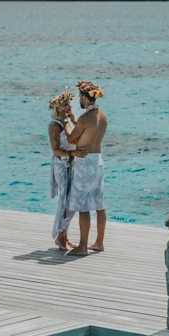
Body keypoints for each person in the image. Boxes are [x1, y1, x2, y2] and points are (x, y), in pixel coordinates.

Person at [65, 80, 107, 253]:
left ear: (84, 97)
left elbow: (71, 139)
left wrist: (67, 124)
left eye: (80, 98)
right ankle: (99, 242)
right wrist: (76, 122)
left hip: (85, 162)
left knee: (83, 205)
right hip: (98, 160)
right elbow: (88, 134)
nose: (80, 101)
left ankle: (82, 246)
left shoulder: (84, 118)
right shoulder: (102, 116)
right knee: (99, 204)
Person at [48, 90, 77, 250]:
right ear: (58, 108)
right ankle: (60, 235)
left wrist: (72, 120)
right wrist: (73, 154)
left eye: (69, 104)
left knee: (71, 201)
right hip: (62, 166)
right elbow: (56, 150)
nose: (69, 107)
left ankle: (63, 235)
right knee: (65, 201)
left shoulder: (67, 123)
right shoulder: (54, 126)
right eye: (65, 104)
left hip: (72, 166)